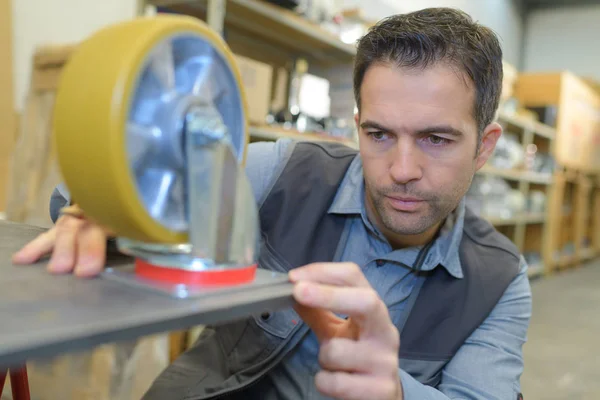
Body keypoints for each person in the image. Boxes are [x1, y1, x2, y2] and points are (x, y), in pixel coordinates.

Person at [13, 7, 532, 400]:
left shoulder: (499, 281)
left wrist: (395, 391)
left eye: (436, 139)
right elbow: (102, 191)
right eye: (378, 134)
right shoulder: (284, 173)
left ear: (484, 146)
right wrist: (97, 212)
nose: (401, 169)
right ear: (357, 126)